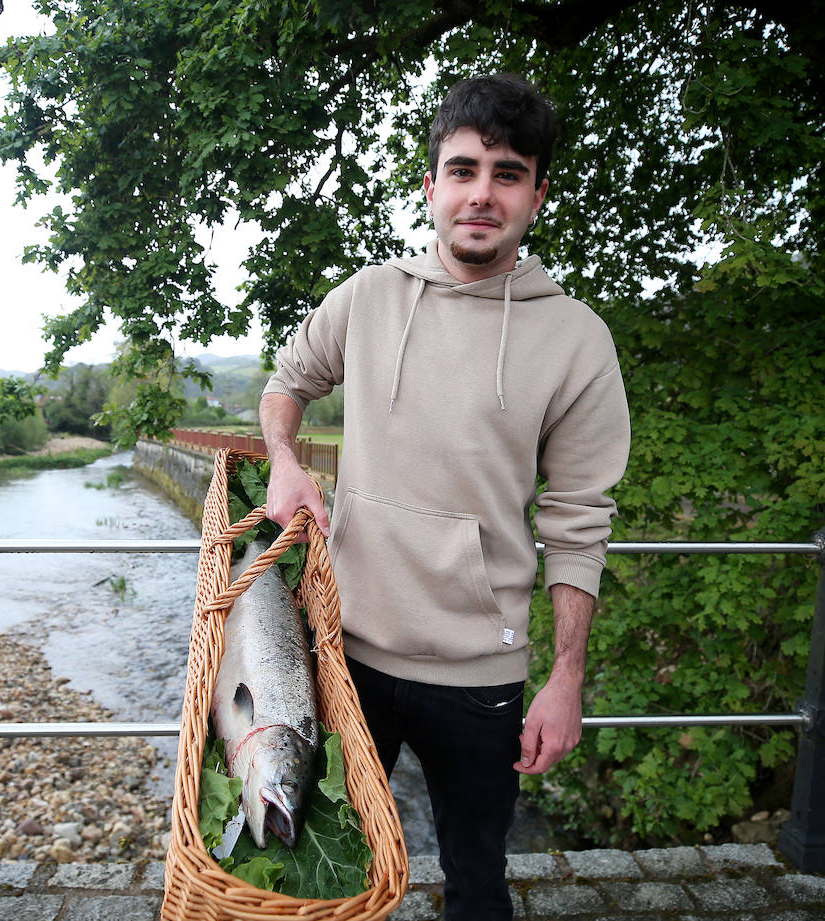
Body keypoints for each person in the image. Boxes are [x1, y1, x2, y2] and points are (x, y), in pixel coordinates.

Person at [259, 73, 630, 920]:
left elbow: (579, 521)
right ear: (431, 186)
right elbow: (289, 381)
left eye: (507, 173)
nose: (481, 194)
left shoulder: (576, 339)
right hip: (347, 650)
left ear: (538, 191)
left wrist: (565, 676)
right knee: (331, 873)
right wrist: (285, 458)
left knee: (476, 879)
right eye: (463, 170)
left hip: (481, 674)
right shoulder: (368, 297)